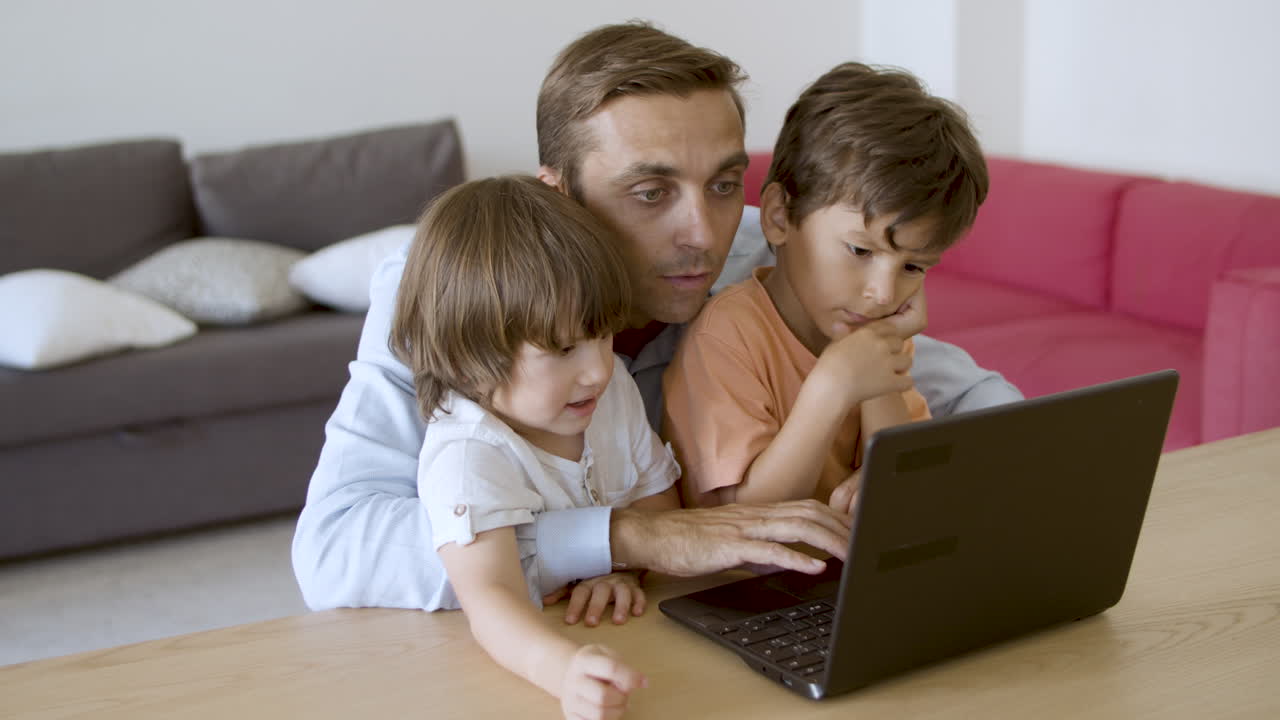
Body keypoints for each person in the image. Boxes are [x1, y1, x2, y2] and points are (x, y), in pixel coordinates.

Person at [292, 22, 1021, 613]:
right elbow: (334, 550)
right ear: (559, 194)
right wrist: (625, 539)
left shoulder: (760, 256)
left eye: (724, 184)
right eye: (650, 192)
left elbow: (970, 394)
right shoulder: (446, 289)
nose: (702, 234)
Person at [394, 175, 674, 717]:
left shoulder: (608, 389)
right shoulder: (469, 453)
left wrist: (623, 570)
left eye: (603, 334)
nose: (598, 369)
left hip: (624, 634)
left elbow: (658, 504)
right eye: (564, 347)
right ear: (469, 354)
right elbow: (491, 599)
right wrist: (563, 672)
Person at [663, 62, 990, 515]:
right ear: (779, 217)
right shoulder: (727, 335)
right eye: (860, 251)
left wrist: (876, 373)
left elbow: (905, 491)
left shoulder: (877, 335)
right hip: (742, 578)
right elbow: (745, 521)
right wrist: (832, 387)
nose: (883, 293)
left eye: (913, 266)